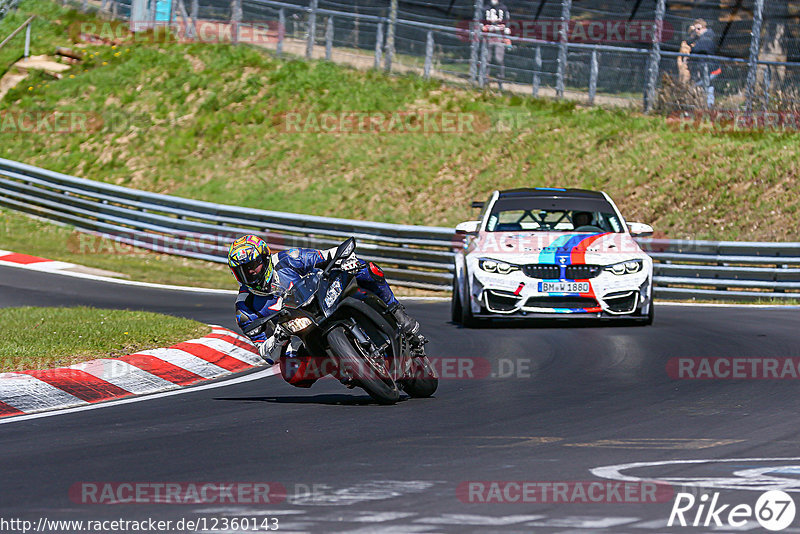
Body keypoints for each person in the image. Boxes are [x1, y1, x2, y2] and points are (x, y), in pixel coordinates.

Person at [228, 235, 424, 388]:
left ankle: (397, 311)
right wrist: (278, 338)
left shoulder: (287, 260)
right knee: (290, 373)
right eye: (242, 270)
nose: (250, 272)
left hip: (324, 297)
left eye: (253, 265)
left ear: (265, 258)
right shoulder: (245, 308)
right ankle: (338, 364)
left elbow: (325, 256)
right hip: (303, 330)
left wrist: (345, 258)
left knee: (366, 268)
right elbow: (266, 354)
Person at [686, 18, 721, 107]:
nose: (696, 31)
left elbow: (695, 50)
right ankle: (708, 106)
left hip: (712, 69)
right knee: (708, 87)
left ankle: (708, 106)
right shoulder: (700, 38)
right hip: (705, 69)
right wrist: (692, 35)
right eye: (695, 29)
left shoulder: (707, 38)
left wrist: (694, 46)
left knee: (696, 86)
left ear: (704, 28)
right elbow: (688, 43)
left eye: (698, 29)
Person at [482, 0, 511, 89]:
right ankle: (484, 80)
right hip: (488, 38)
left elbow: (507, 24)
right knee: (487, 59)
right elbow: (481, 23)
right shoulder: (485, 8)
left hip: (499, 38)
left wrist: (506, 36)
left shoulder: (503, 8)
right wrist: (482, 27)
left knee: (499, 59)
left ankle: (500, 81)